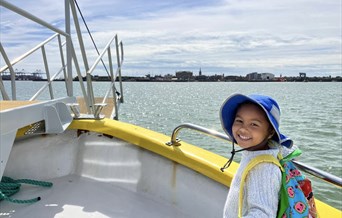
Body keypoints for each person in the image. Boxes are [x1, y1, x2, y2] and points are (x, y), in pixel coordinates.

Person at [220, 93, 294, 218]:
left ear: (270, 132)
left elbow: (263, 214)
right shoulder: (254, 154)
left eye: (254, 124)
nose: (243, 129)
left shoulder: (265, 168)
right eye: (239, 121)